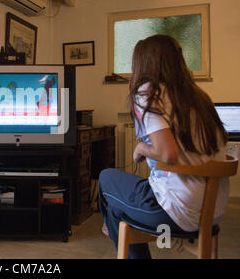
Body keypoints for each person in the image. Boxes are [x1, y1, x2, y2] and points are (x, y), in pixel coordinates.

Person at [98, 35, 229, 259]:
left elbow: (168, 153)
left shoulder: (148, 93)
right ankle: (112, 221)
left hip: (176, 211)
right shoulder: (199, 97)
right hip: (213, 210)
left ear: (142, 65)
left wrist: (141, 149)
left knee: (106, 178)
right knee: (116, 208)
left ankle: (111, 225)